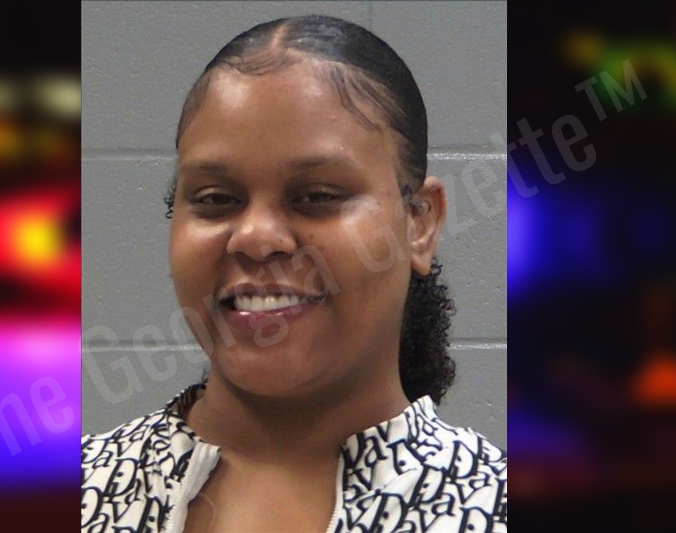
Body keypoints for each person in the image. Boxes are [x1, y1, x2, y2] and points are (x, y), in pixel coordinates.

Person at [82, 14, 506, 533]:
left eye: (318, 196)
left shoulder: (489, 505)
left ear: (419, 223)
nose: (256, 238)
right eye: (216, 199)